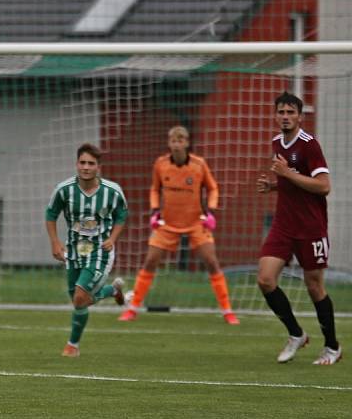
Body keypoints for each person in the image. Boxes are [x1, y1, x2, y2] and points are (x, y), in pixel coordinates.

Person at [118, 126, 239, 325]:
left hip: (195, 222)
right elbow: (155, 189)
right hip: (168, 223)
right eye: (173, 140)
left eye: (180, 140)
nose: (176, 144)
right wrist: (155, 211)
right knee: (150, 261)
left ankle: (227, 311)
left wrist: (210, 211)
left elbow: (213, 188)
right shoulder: (161, 164)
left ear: (187, 143)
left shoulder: (199, 165)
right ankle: (132, 309)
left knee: (211, 262)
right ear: (169, 143)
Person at [256, 92, 340, 365]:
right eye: (281, 112)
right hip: (283, 225)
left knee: (314, 287)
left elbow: (323, 186)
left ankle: (331, 347)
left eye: (291, 112)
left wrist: (287, 175)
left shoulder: (309, 144)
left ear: (300, 116)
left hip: (310, 227)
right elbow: (292, 180)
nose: (285, 116)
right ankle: (296, 334)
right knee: (265, 280)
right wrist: (275, 185)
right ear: (275, 115)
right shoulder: (277, 142)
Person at [45, 143, 128, 358]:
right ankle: (113, 291)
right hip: (73, 252)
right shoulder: (64, 190)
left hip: (100, 252)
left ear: (99, 167)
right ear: (76, 164)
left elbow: (121, 214)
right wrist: (55, 242)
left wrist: (112, 238)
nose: (86, 167)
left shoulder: (112, 191)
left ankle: (72, 345)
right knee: (78, 300)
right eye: (82, 162)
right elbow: (51, 215)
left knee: (81, 297)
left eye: (91, 163)